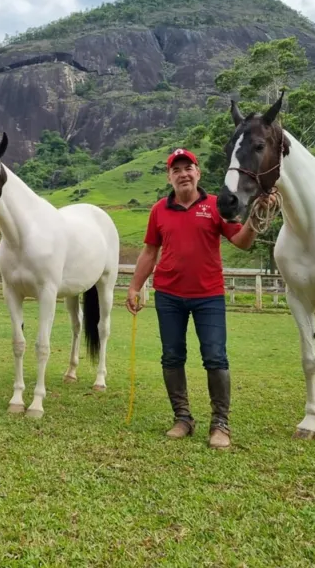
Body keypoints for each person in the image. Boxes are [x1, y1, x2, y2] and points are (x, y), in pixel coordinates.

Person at [126, 148, 268, 449]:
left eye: (187, 168)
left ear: (198, 172)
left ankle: (220, 424)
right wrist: (135, 286)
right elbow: (150, 251)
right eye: (176, 170)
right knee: (172, 356)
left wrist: (254, 218)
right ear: (170, 177)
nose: (183, 174)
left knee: (215, 357)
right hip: (168, 295)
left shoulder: (217, 206)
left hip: (209, 296)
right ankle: (183, 418)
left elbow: (241, 242)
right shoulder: (158, 211)